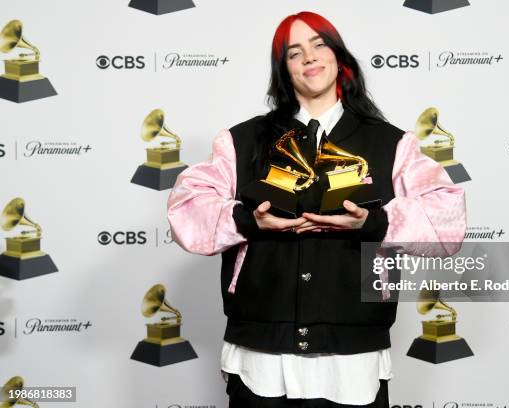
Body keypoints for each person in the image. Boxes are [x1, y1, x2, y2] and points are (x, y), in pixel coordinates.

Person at [167, 11, 466, 408]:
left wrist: (376, 222)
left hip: (353, 353)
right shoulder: (241, 141)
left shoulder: (392, 144)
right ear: (283, 69)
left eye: (318, 44)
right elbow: (187, 210)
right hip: (261, 353)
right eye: (294, 52)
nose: (309, 57)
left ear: (338, 57)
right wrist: (246, 219)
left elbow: (448, 224)